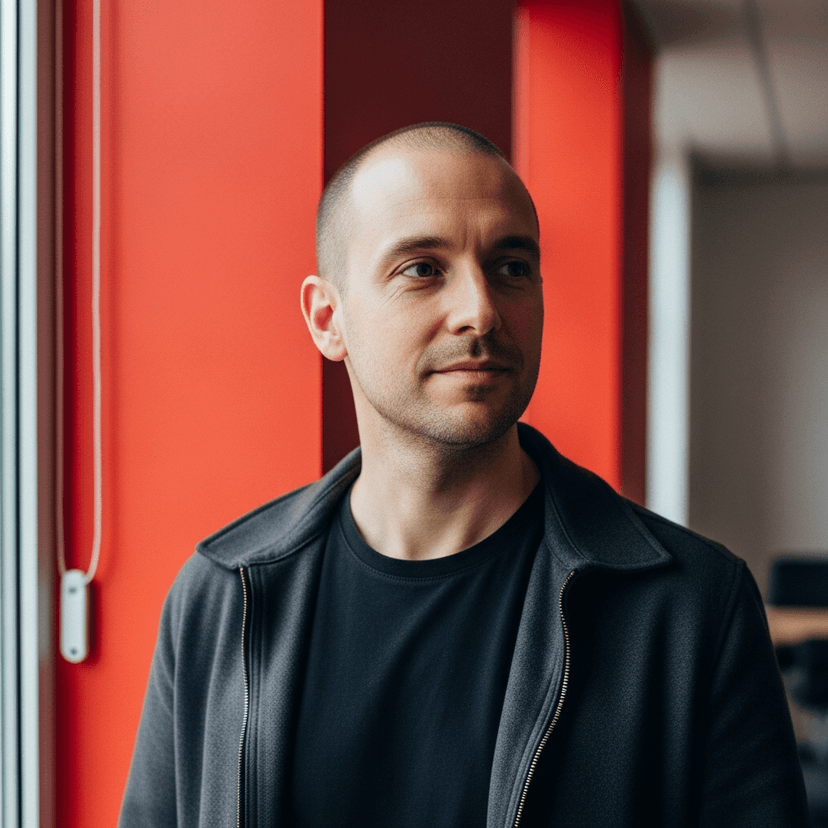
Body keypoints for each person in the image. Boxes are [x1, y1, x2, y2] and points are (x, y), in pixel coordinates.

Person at [119, 123, 808, 827]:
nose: (480, 310)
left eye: (511, 267)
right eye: (422, 268)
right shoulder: (222, 595)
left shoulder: (691, 606)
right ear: (329, 318)